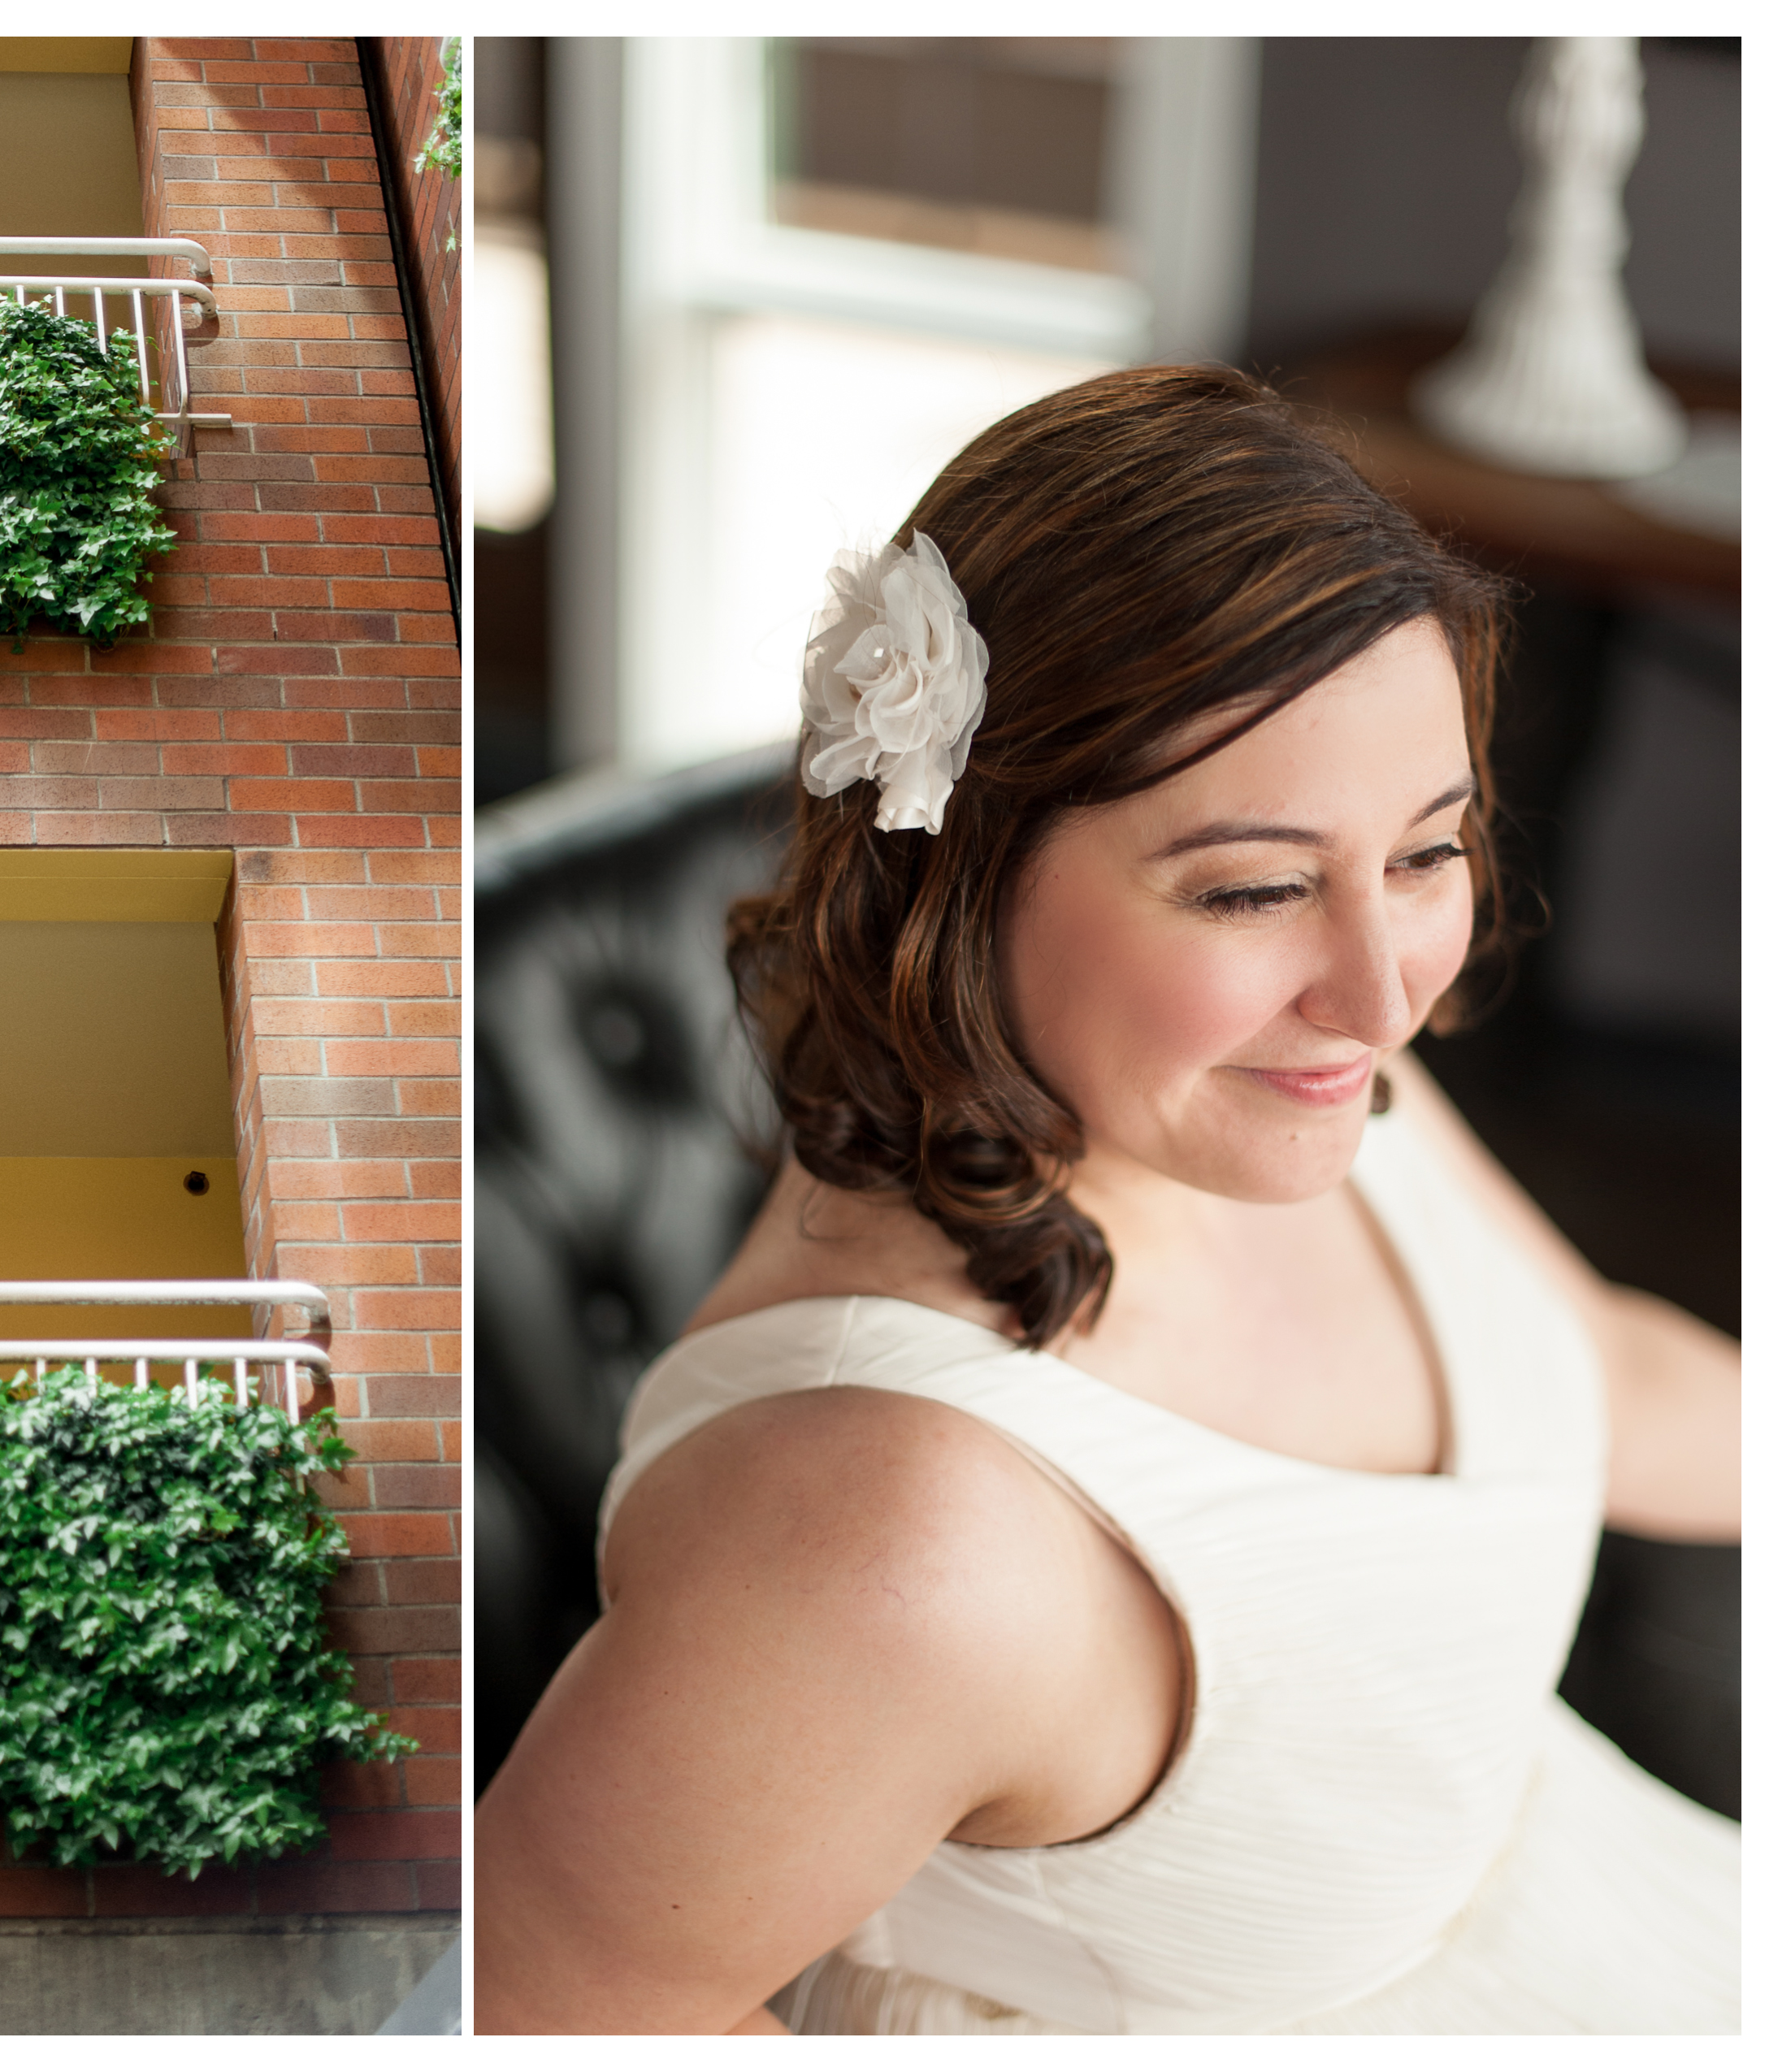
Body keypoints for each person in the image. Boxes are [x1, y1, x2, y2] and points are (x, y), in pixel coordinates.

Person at [471, 366, 1739, 2035]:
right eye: (1258, 887)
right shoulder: (884, 1536)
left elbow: (1592, 1367)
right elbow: (551, 2012)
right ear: (962, 873)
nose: (1383, 994)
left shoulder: (1285, 1090)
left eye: (1427, 851)